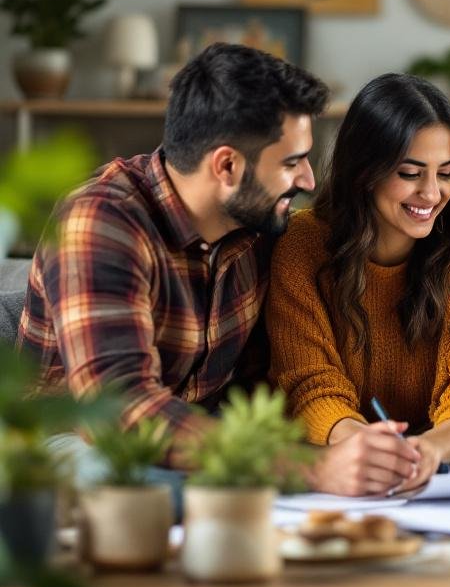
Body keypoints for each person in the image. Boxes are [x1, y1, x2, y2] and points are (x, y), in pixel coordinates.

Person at [17, 43, 329, 500]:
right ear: (227, 165)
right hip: (75, 443)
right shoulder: (101, 220)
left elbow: (263, 382)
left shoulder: (257, 224)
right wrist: (310, 468)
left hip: (194, 439)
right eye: (291, 162)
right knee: (161, 491)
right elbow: (119, 411)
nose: (308, 181)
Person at [266, 73, 450, 496]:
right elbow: (308, 383)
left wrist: (429, 449)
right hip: (340, 445)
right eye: (409, 173)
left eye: (446, 173)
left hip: (439, 445)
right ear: (365, 171)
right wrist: (366, 446)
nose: (432, 193)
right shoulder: (302, 242)